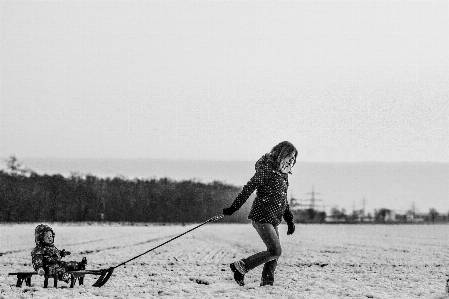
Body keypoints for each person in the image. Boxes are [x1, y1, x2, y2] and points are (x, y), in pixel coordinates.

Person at [222, 141, 297, 287]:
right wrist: (233, 208)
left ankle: (267, 284)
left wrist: (289, 220)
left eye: (293, 158)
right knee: (275, 250)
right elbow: (248, 189)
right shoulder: (266, 170)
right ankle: (242, 266)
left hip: (273, 218)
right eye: (289, 156)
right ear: (281, 153)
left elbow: (283, 199)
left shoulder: (284, 174)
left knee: (273, 253)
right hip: (261, 216)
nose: (291, 160)